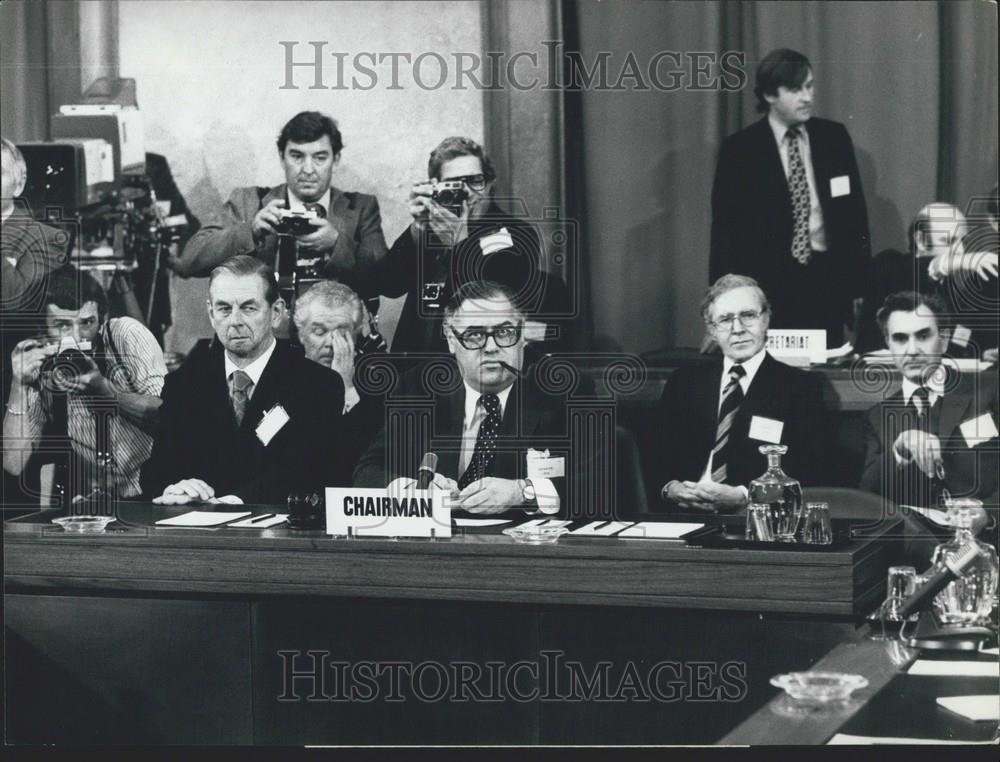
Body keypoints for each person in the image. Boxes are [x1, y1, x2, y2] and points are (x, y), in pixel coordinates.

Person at [354, 280, 601, 517]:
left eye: (504, 332)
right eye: (474, 335)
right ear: (451, 340)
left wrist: (522, 492)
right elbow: (368, 471)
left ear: (523, 334)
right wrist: (414, 490)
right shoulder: (418, 389)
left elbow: (597, 480)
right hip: (440, 546)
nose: (491, 347)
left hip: (525, 548)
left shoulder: (565, 391)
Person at [142, 255, 344, 504]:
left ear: (276, 312)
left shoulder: (318, 386)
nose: (235, 321)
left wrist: (235, 501)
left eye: (249, 308)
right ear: (211, 313)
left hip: (280, 536)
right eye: (224, 308)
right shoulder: (183, 385)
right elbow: (156, 472)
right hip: (197, 536)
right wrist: (173, 487)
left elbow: (311, 473)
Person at [710, 49, 870, 345]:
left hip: (826, 282)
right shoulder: (741, 150)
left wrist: (858, 287)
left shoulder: (833, 138)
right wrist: (722, 302)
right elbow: (725, 234)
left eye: (809, 86)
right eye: (796, 89)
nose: (807, 96)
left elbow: (854, 216)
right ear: (770, 94)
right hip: (768, 289)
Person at [376, 136, 572, 354]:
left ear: (489, 183)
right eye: (455, 183)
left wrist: (458, 241)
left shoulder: (515, 233)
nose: (467, 192)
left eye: (475, 181)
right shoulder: (429, 232)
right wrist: (418, 229)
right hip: (415, 371)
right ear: (436, 187)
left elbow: (494, 290)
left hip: (475, 367)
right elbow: (388, 285)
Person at [174, 112, 387, 303]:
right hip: (267, 340)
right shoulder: (248, 201)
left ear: (336, 159)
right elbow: (190, 261)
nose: (308, 169)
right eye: (297, 156)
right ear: (282, 157)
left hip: (334, 337)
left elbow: (384, 280)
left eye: (320, 158)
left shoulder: (360, 208)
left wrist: (336, 243)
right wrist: (250, 231)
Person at [656, 274, 824, 512]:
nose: (738, 329)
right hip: (684, 515)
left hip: (756, 517)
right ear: (712, 330)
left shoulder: (800, 387)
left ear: (766, 319)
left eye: (748, 316)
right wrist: (669, 488)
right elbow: (656, 457)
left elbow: (810, 468)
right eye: (725, 319)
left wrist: (745, 496)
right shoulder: (684, 383)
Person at [3, 267, 165, 500]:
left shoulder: (124, 335)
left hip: (161, 491)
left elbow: (168, 419)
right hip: (106, 503)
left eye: (87, 323)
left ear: (102, 319)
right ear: (43, 329)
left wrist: (105, 390)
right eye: (61, 325)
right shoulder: (40, 367)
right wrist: (18, 384)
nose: (76, 338)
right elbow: (13, 463)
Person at [859, 291, 998, 514]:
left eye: (923, 336)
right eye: (900, 338)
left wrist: (988, 513)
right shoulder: (878, 416)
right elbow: (868, 495)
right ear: (889, 344)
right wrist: (899, 452)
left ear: (943, 340)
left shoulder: (990, 390)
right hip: (914, 543)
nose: (912, 350)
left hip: (986, 537)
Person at [856, 203, 999, 355]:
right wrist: (950, 263)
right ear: (921, 240)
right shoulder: (890, 265)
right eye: (949, 241)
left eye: (962, 241)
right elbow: (913, 269)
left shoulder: (949, 289)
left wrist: (984, 353)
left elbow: (955, 345)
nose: (961, 251)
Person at [292, 279, 384, 474]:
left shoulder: (377, 387)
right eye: (319, 331)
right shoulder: (283, 377)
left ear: (356, 334)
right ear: (301, 334)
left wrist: (345, 385)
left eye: (342, 332)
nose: (331, 343)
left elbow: (359, 461)